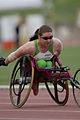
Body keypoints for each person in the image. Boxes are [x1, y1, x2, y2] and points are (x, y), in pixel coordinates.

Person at [0, 25, 63, 95]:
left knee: (49, 64)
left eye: (50, 37)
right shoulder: (30, 47)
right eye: (45, 38)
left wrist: (53, 59)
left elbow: (58, 53)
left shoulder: (57, 43)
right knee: (41, 64)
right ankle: (35, 82)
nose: (48, 40)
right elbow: (15, 55)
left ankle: (40, 79)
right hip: (34, 67)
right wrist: (5, 62)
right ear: (39, 37)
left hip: (48, 64)